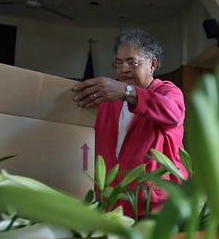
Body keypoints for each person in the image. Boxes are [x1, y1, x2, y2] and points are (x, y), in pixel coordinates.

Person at [72, 29, 187, 218]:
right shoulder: (109, 100)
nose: (123, 69)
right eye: (118, 63)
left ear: (152, 65)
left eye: (132, 63)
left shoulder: (167, 91)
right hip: (110, 202)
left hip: (154, 206)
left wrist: (127, 91)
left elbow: (173, 114)